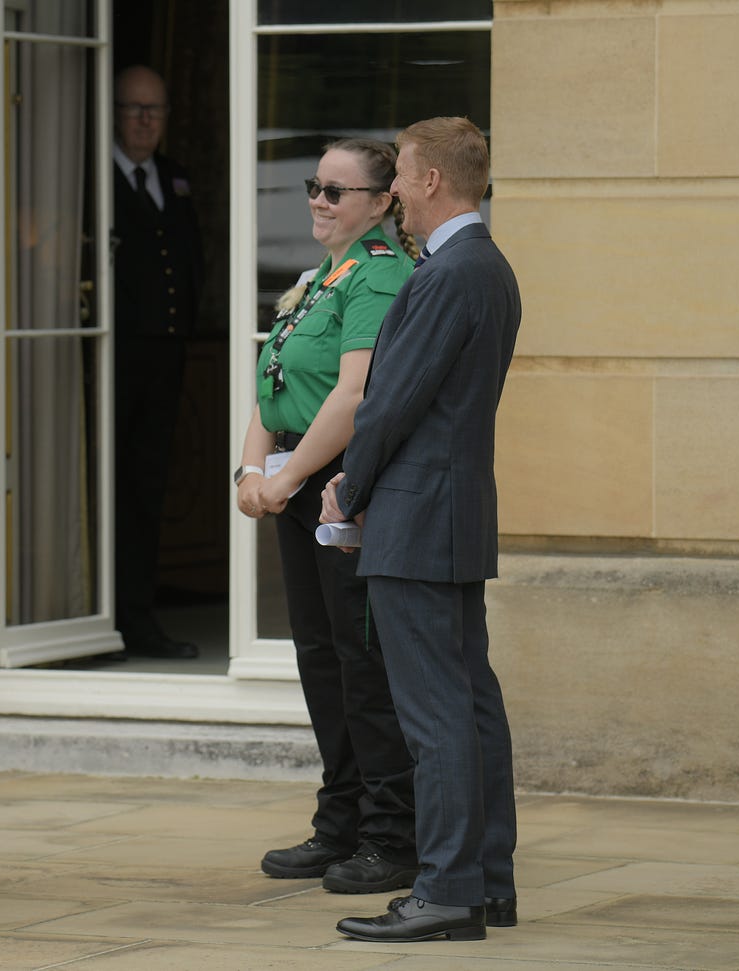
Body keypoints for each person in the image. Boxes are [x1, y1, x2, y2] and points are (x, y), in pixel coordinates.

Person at [322, 117, 520, 944]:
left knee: (437, 713)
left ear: (432, 180)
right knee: (470, 706)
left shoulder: (448, 274)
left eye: (400, 175)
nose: (394, 189)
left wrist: (348, 488)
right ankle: (484, 884)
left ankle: (445, 890)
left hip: (417, 516)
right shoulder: (488, 267)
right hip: (452, 510)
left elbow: (391, 400)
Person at [239, 139, 419, 894]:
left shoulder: (379, 276)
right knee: (320, 656)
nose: (319, 199)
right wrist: (253, 468)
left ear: (382, 202)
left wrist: (292, 477)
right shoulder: (323, 277)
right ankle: (339, 819)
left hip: (338, 489)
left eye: (339, 191)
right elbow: (272, 382)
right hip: (294, 478)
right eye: (316, 185)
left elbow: (352, 397)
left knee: (361, 661)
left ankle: (390, 833)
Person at [111, 65, 204, 659]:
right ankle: (110, 615)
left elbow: (194, 264)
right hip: (109, 359)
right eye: (134, 108)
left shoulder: (174, 178)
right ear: (114, 113)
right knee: (113, 488)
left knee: (150, 488)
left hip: (165, 359)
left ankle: (140, 616)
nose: (146, 120)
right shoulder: (91, 179)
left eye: (156, 109)